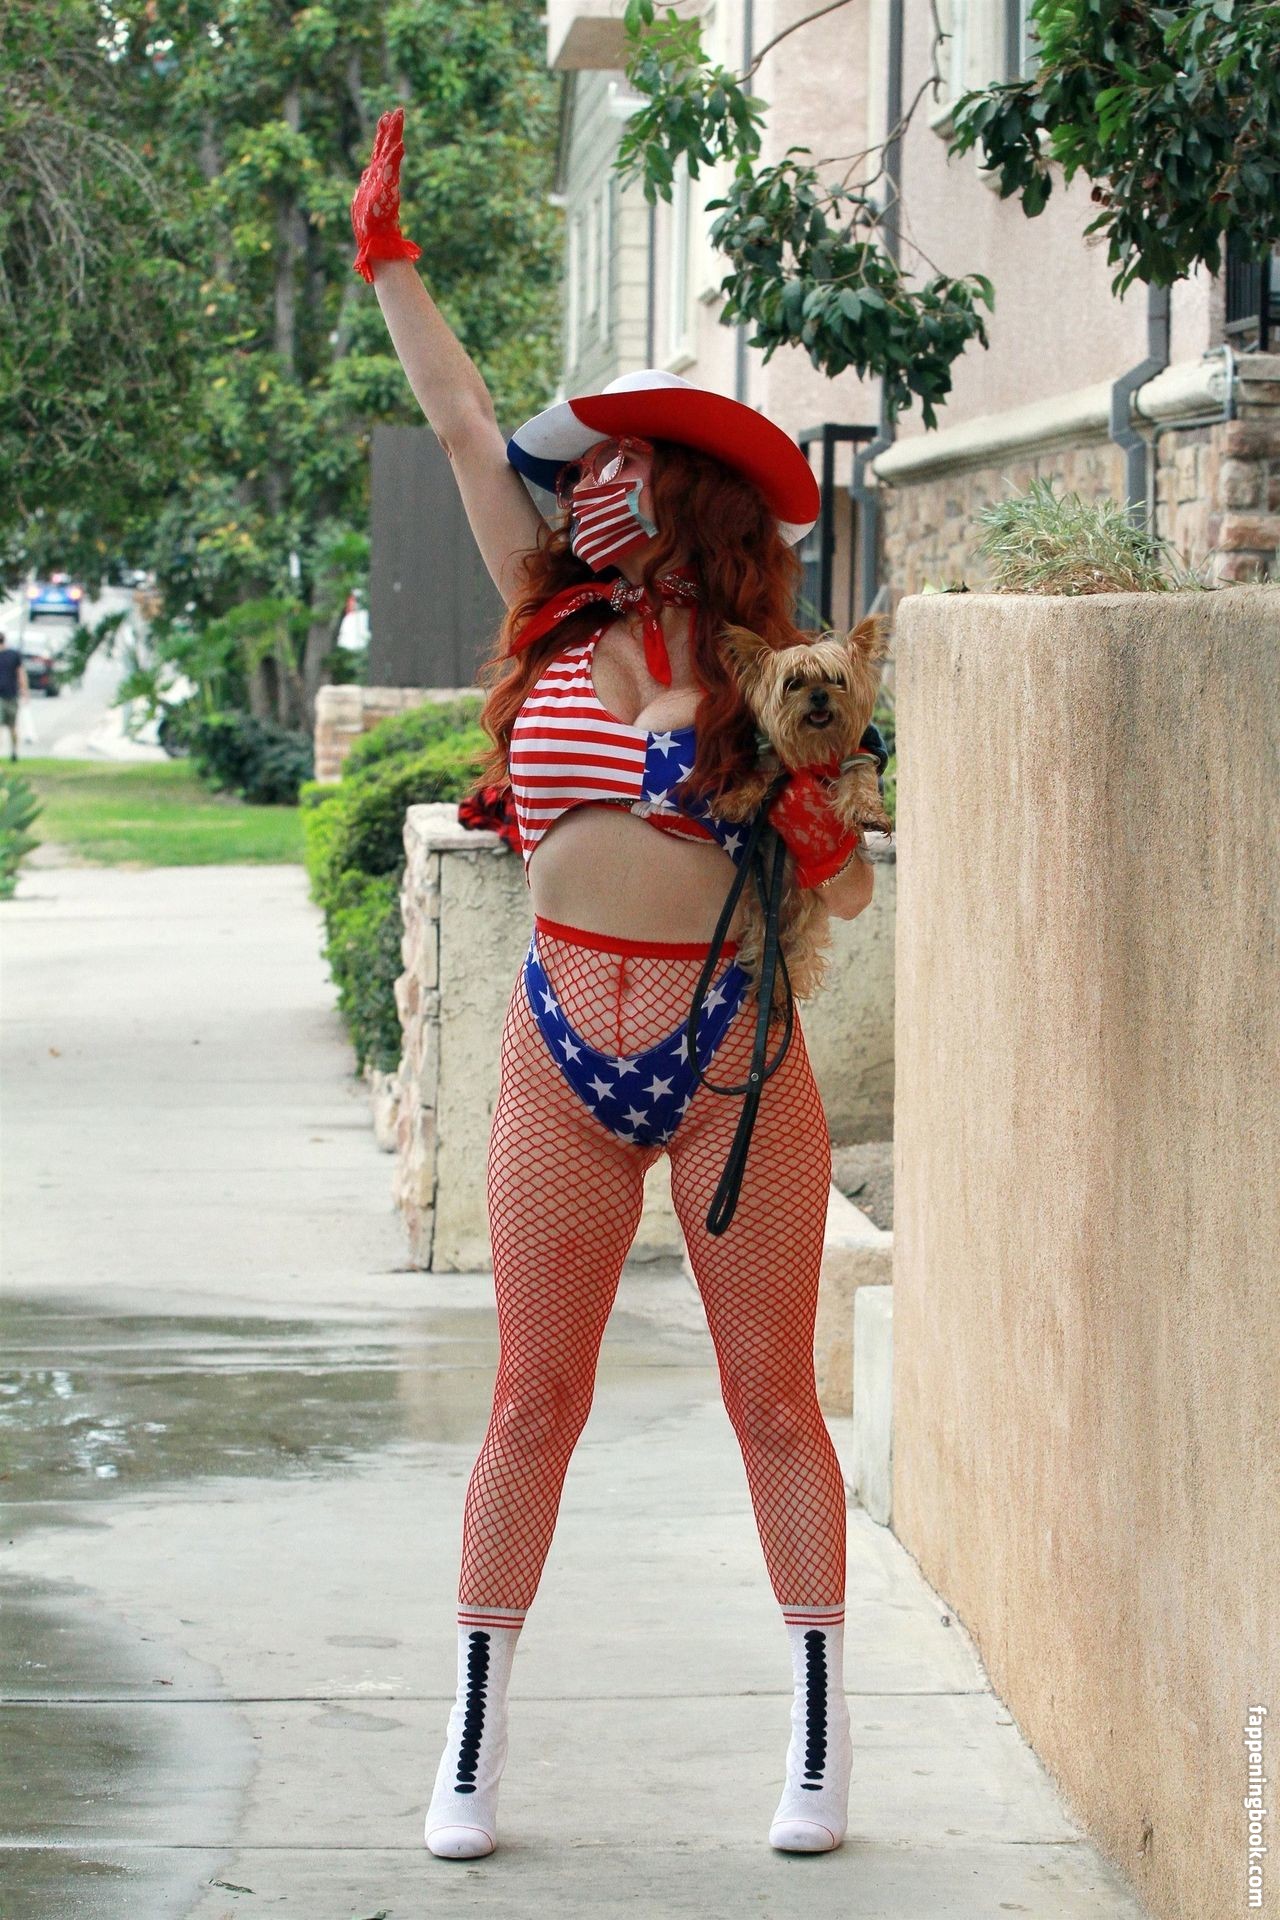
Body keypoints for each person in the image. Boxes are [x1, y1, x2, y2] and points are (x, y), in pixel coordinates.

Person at [352, 108, 880, 1864]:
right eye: (583, 467)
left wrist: (787, 793)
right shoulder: (549, 615)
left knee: (775, 1399)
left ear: (685, 491)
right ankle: (472, 1740)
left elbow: (840, 858)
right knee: (531, 1400)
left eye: (620, 464)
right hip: (563, 1045)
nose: (585, 484)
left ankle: (820, 1735)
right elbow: (457, 422)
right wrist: (391, 264)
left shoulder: (769, 665)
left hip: (736, 1059)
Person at [0, 640, 30, 761]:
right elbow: (21, 674)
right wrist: (25, 691)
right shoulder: (14, 654)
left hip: (11, 695)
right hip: (3, 696)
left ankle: (14, 751)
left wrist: (24, 691)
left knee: (12, 727)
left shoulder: (13, 655)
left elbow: (21, 674)